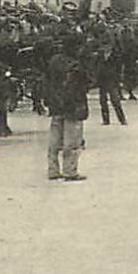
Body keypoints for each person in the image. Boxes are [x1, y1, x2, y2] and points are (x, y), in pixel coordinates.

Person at [45, 34, 89, 180]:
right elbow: (85, 83)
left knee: (54, 139)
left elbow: (47, 81)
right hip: (73, 106)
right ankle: (70, 171)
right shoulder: (76, 65)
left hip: (56, 105)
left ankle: (53, 170)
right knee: (72, 141)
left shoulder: (53, 61)